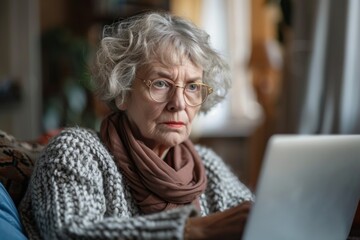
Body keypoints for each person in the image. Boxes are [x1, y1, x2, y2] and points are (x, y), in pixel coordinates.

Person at [19, 11, 254, 239]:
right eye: (161, 83)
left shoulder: (207, 166)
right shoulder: (76, 152)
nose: (179, 103)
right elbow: (70, 233)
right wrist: (193, 230)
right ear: (122, 91)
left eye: (192, 87)